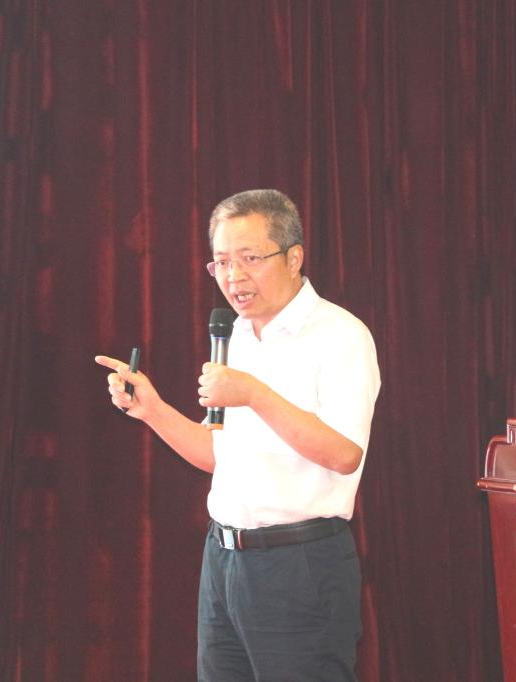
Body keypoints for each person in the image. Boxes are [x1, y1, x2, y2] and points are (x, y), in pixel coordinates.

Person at [95, 189, 381, 681]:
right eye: (222, 262)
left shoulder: (340, 336)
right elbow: (217, 455)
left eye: (250, 258)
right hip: (224, 560)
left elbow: (343, 454)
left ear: (294, 257)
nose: (233, 277)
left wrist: (253, 393)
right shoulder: (239, 336)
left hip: (299, 565)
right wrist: (151, 410)